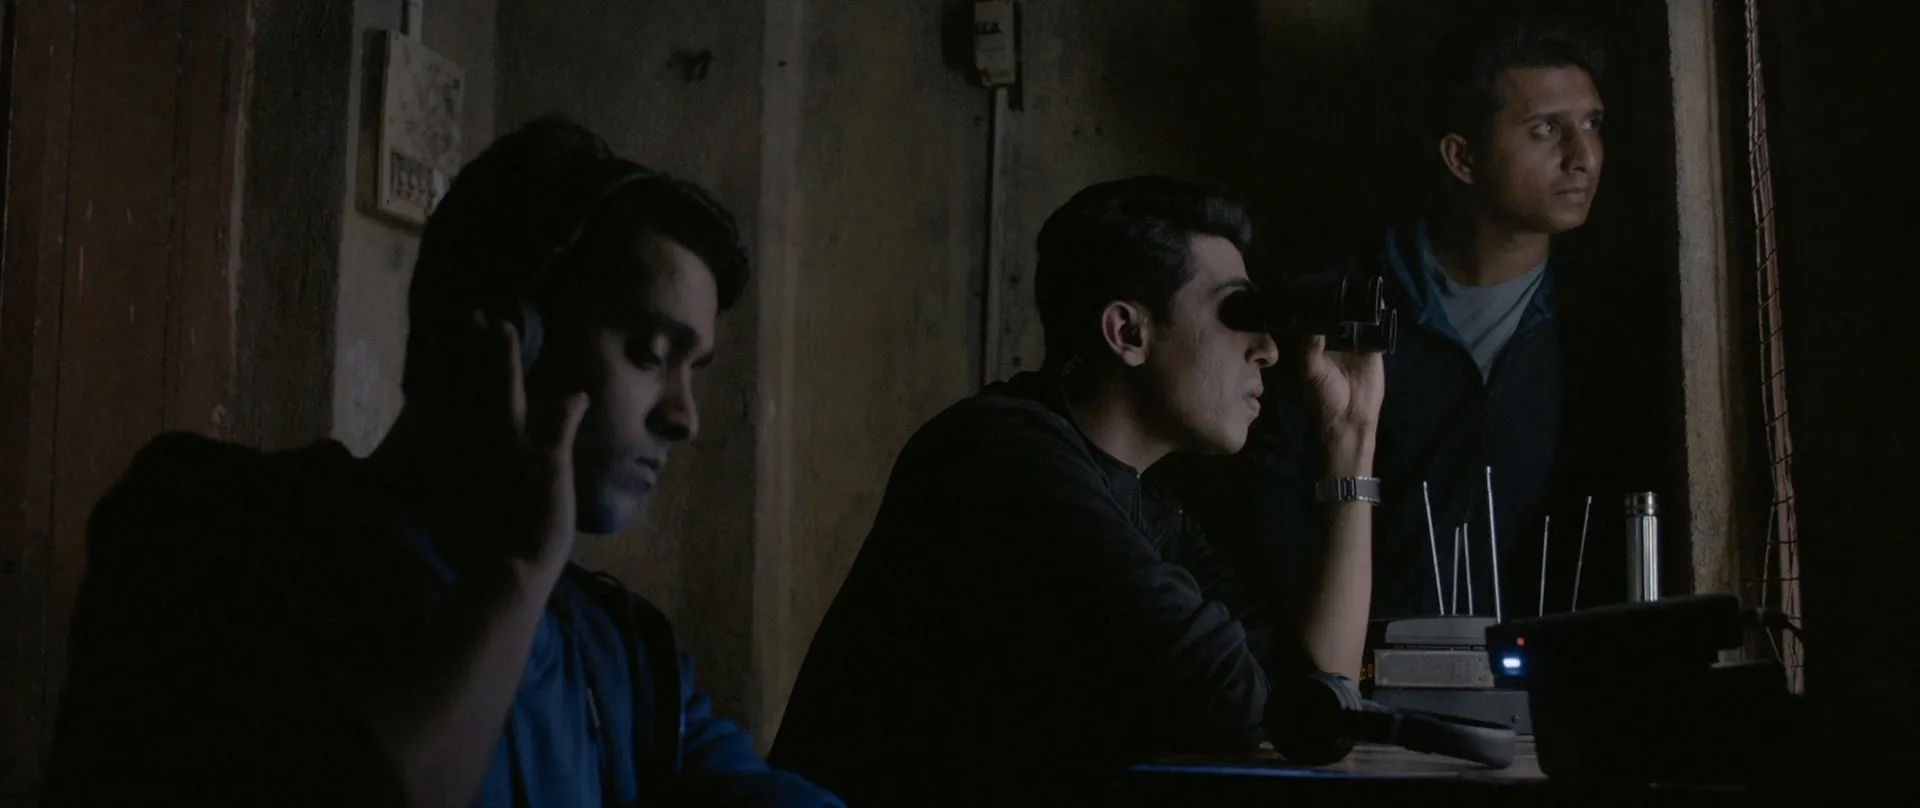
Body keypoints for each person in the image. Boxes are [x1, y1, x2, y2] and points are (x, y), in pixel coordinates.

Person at [44, 117, 843, 808]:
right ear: (508, 339)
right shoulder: (209, 531)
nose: (684, 417)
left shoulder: (622, 654)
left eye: (693, 370)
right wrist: (517, 575)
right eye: (649, 352)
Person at [768, 176, 1386, 803]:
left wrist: (1351, 438)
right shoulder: (996, 456)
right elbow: (1237, 704)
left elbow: (1315, 710)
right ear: (1128, 333)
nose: (1269, 349)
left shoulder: (1142, 505)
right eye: (1237, 314)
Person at [1159, 15, 1620, 625]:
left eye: (1592, 124)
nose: (1583, 157)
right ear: (1462, 157)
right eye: (1546, 130)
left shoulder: (1600, 320)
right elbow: (1271, 499)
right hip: (1355, 654)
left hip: (1537, 660)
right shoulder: (1346, 301)